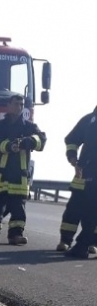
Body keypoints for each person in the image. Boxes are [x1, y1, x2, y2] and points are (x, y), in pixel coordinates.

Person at [0, 95, 46, 245]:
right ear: (8, 105)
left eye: (21, 104)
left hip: (19, 174)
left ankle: (16, 235)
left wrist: (29, 141)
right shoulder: (0, 125)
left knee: (18, 208)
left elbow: (41, 140)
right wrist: (9, 146)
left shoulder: (29, 127)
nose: (19, 107)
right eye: (16, 104)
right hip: (1, 172)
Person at [63, 106, 97, 259]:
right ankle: (66, 240)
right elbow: (71, 140)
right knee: (75, 209)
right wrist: (72, 158)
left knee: (92, 211)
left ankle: (86, 244)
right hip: (84, 173)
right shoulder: (89, 120)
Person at [56, 164, 97, 254]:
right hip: (81, 182)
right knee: (72, 212)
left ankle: (93, 243)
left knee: (93, 216)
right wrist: (73, 157)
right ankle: (65, 241)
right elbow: (75, 150)